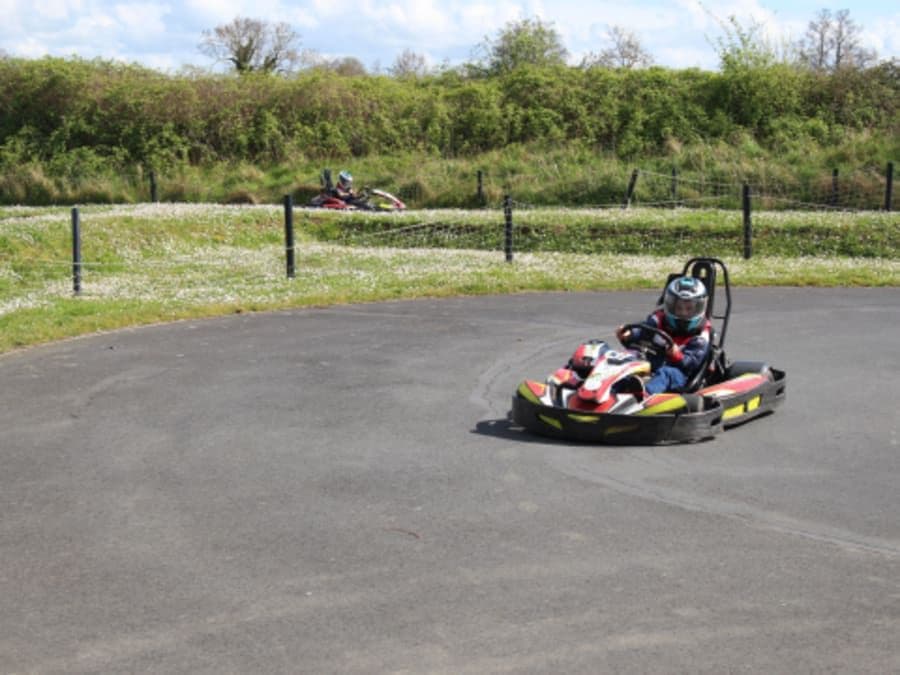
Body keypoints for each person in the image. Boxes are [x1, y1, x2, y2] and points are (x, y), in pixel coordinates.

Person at [615, 276, 711, 395]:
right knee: (628, 358)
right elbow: (644, 331)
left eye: (689, 309)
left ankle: (646, 394)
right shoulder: (658, 320)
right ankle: (610, 389)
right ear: (669, 304)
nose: (683, 313)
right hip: (652, 361)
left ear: (699, 308)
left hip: (680, 374)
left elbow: (692, 362)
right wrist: (629, 334)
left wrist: (678, 355)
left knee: (667, 373)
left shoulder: (700, 337)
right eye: (679, 308)